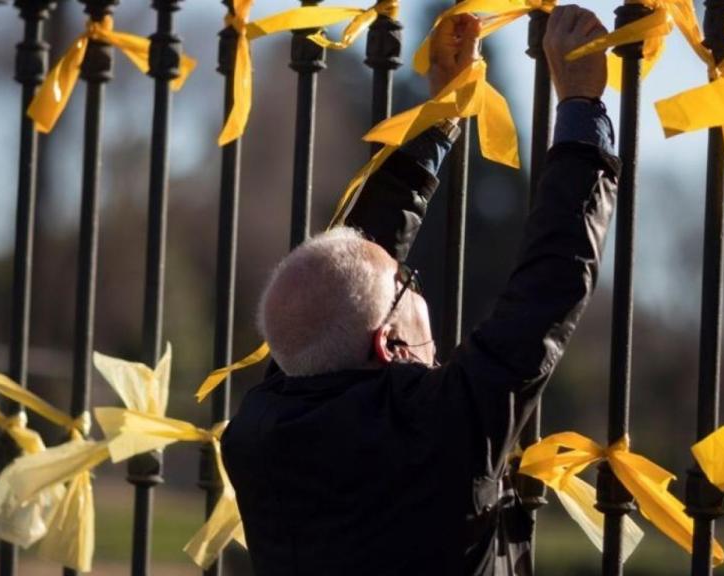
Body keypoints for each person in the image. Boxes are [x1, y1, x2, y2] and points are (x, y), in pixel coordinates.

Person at [222, 6, 618, 576]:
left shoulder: (257, 433)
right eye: (408, 286)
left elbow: (352, 277)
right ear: (388, 345)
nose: (414, 285)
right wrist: (582, 105)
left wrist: (441, 116)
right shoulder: (437, 431)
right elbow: (550, 285)